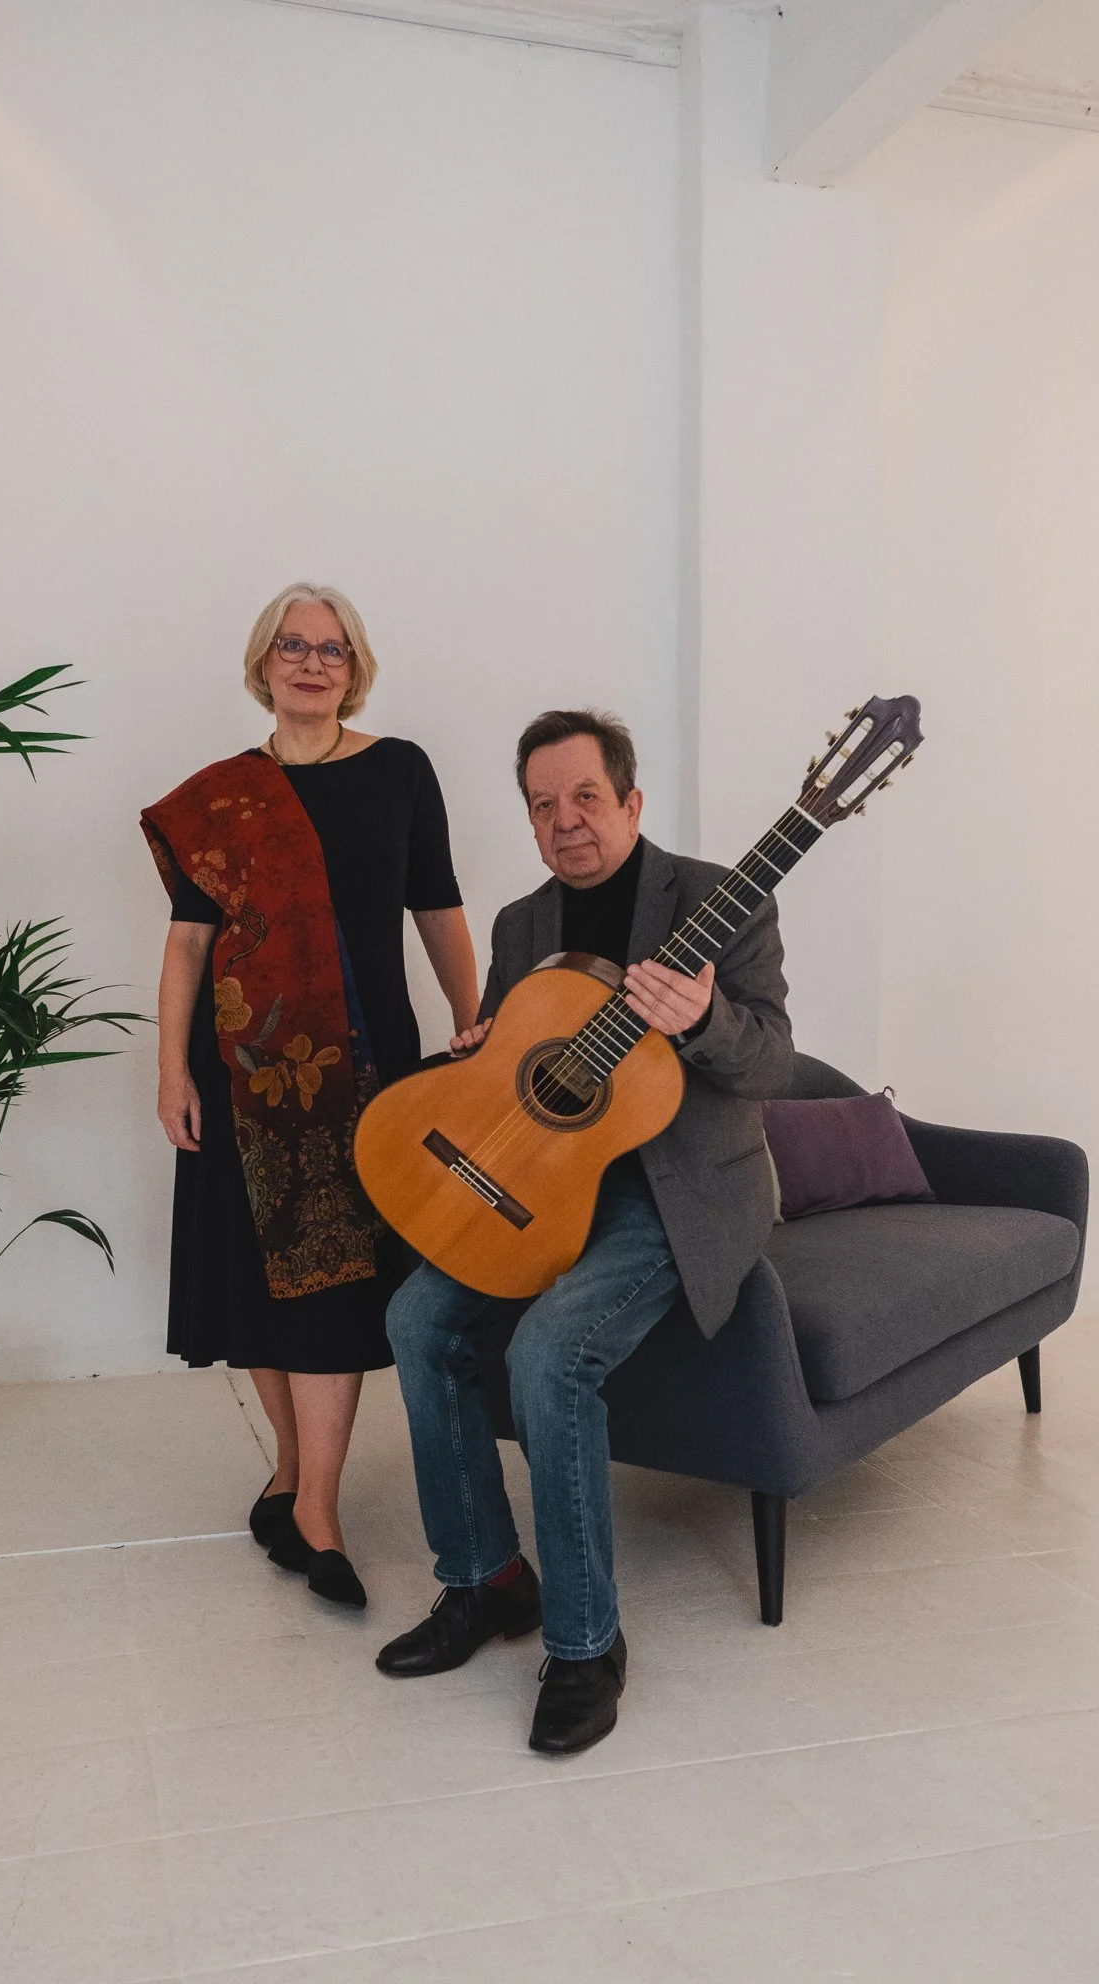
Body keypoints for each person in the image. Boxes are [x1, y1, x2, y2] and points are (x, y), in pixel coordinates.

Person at [377, 708, 793, 1750]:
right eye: (542, 805)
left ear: (631, 802)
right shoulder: (521, 926)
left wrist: (702, 1020)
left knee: (550, 1350)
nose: (565, 821)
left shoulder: (720, 900)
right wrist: (480, 1053)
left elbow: (773, 1062)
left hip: (674, 1190)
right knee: (417, 1317)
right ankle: (485, 1580)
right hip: (543, 1178)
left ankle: (584, 1643)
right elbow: (513, 1064)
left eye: (586, 798)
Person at [142, 583, 478, 1611]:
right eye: (292, 645)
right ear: (263, 663)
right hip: (240, 1073)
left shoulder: (399, 770)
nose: (311, 662)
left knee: (334, 1287)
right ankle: (290, 1474)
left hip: (363, 1075)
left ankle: (318, 1510)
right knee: (258, 1281)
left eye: (332, 649)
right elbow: (188, 945)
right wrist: (170, 1071)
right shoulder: (222, 797)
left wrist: (476, 1022)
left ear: (355, 668)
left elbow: (438, 908)